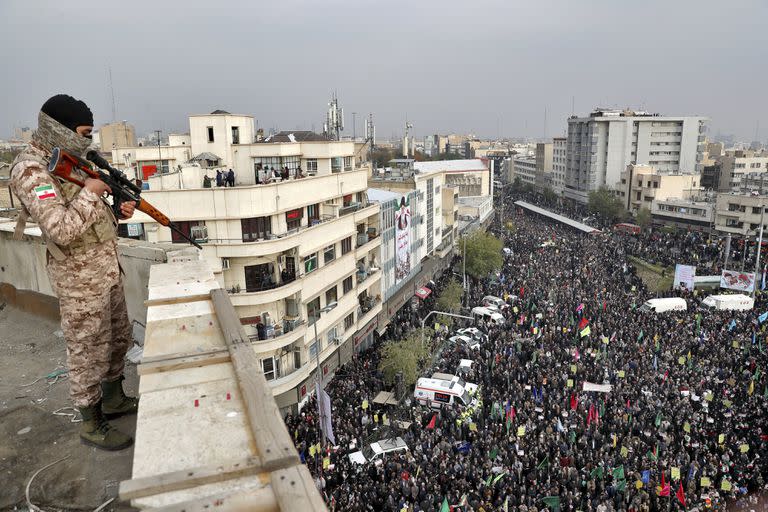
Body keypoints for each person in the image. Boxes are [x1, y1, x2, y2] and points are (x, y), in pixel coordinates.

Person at [9, 94, 139, 451]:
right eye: (83, 132)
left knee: (116, 339)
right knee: (87, 350)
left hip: (106, 268)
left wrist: (117, 210)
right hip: (78, 278)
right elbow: (60, 229)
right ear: (59, 128)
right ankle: (91, 422)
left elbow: (91, 213)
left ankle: (114, 400)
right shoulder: (31, 169)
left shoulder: (71, 159)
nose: (87, 141)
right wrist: (91, 194)